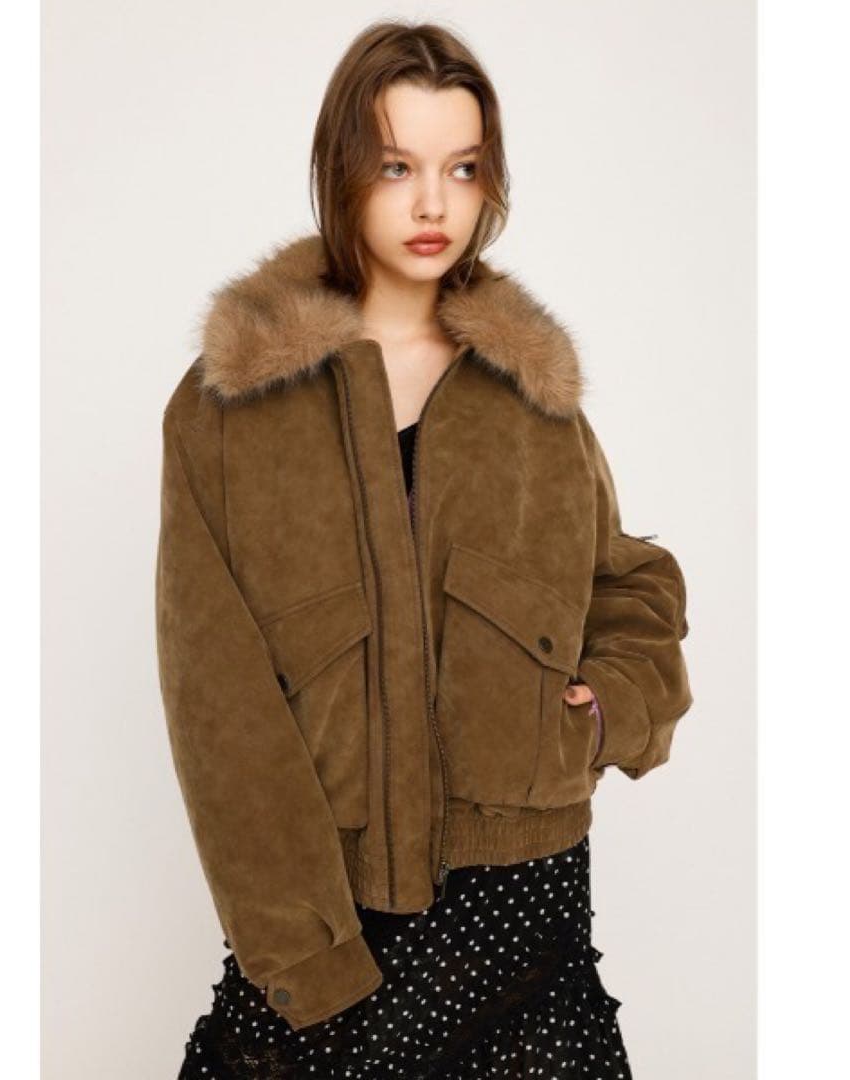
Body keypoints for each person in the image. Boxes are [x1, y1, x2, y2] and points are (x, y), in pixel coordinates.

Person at [155, 18, 693, 1079]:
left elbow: (629, 584)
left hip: (528, 925)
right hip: (332, 917)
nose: (434, 204)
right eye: (398, 166)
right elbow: (214, 699)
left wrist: (607, 711)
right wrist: (303, 952)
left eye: (463, 167)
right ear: (342, 171)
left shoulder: (531, 393)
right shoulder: (231, 407)